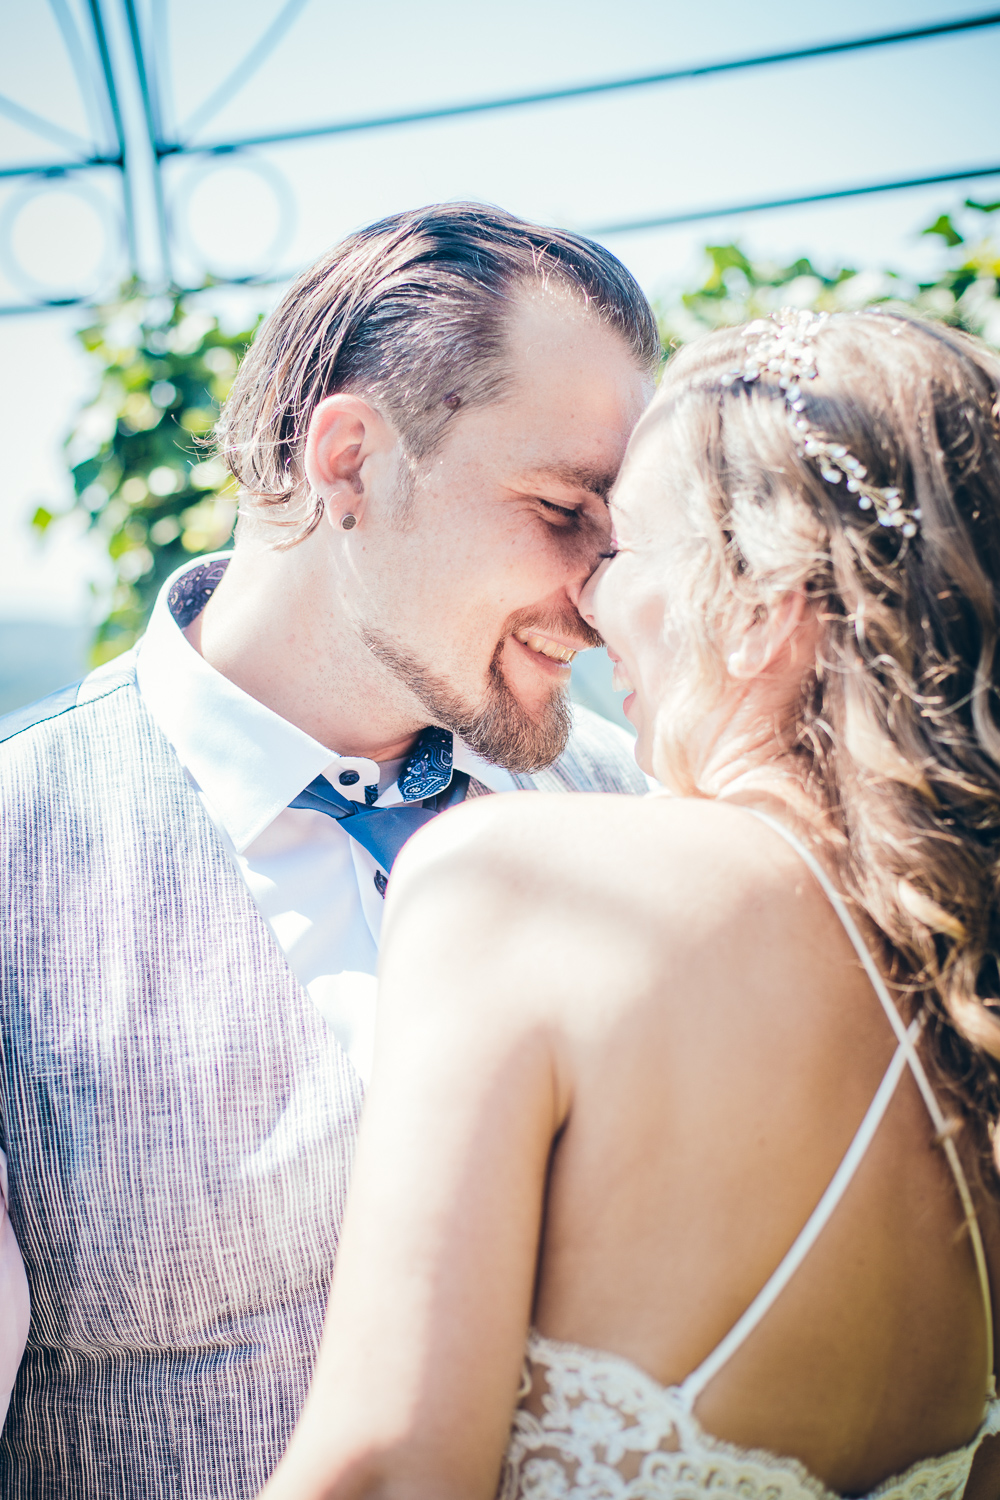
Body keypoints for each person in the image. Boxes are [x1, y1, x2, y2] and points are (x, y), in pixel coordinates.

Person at [262, 308, 1000, 1500]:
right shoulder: (966, 993)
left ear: (763, 606)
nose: (591, 611)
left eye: (622, 551)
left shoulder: (516, 879)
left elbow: (391, 1470)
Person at [0, 203, 657, 1496]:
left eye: (621, 530)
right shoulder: (14, 855)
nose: (603, 590)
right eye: (562, 507)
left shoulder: (639, 821)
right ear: (349, 459)